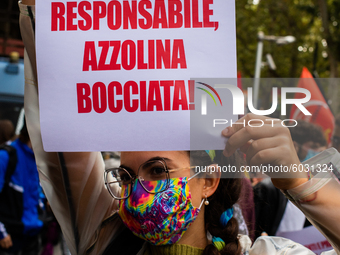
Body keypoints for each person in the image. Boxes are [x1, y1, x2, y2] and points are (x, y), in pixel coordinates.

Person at [19, 1, 340, 254]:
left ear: (209, 181)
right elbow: (61, 137)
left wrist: (299, 182)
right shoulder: (102, 240)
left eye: (158, 170)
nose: (135, 193)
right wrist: (45, 18)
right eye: (126, 177)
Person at [0, 122, 43, 255]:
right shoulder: (6, 156)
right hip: (9, 238)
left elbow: (35, 190)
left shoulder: (38, 157)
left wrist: (44, 202)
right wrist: (1, 233)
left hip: (33, 235)